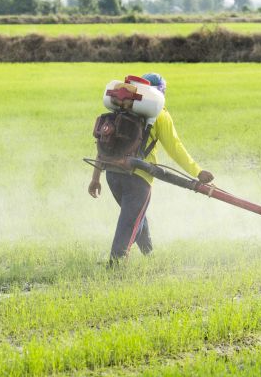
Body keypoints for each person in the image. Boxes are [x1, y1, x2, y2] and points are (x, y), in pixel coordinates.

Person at [88, 73, 214, 264]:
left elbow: (104, 145)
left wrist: (95, 178)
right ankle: (116, 265)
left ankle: (149, 254)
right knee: (130, 222)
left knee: (136, 215)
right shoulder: (159, 114)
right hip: (139, 179)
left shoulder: (120, 110)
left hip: (112, 175)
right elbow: (175, 148)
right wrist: (197, 171)